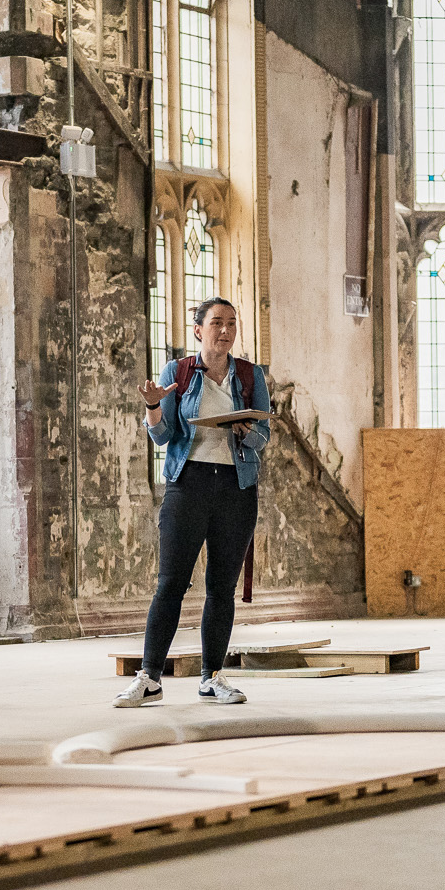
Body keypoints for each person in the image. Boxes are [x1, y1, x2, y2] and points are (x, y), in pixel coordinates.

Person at [115, 296, 271, 709]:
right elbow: (162, 435)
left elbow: (263, 437)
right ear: (199, 330)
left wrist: (245, 430)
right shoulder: (178, 372)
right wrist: (152, 405)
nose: (226, 330)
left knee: (221, 588)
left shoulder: (250, 375)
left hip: (236, 488)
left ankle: (212, 677)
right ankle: (149, 678)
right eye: (217, 322)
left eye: (232, 323)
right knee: (170, 584)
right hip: (188, 484)